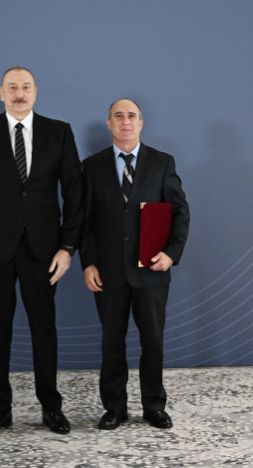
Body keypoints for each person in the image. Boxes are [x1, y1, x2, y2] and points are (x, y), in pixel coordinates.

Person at [0, 66, 82, 437]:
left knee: (44, 330)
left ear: (36, 92)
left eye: (26, 87)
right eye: (12, 87)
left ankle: (51, 408)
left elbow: (74, 194)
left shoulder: (59, 132)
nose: (19, 93)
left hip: (44, 250)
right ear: (1, 92)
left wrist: (68, 247)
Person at [80, 98, 190, 430]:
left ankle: (154, 406)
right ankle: (114, 408)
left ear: (141, 123)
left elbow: (180, 212)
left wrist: (171, 253)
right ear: (109, 123)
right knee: (111, 342)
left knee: (153, 342)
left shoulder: (163, 162)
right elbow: (84, 221)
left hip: (152, 270)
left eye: (131, 116)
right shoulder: (91, 167)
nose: (125, 121)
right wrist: (88, 263)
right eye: (118, 116)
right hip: (108, 272)